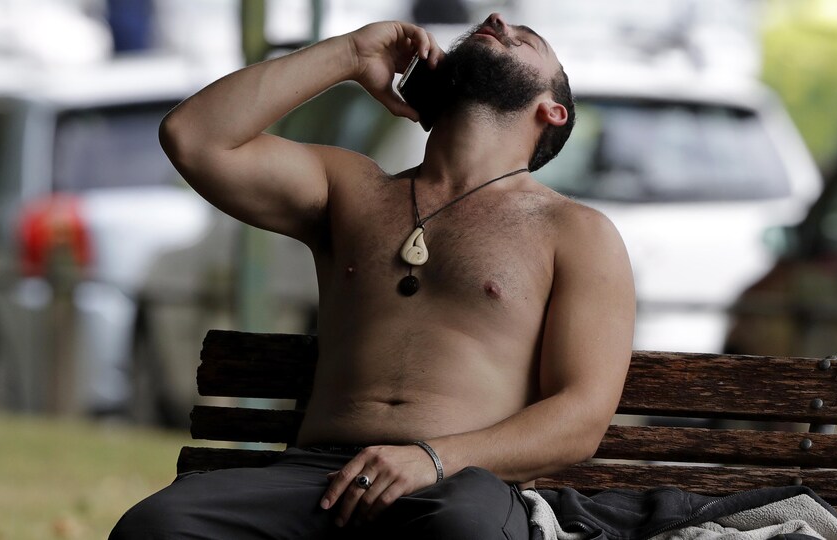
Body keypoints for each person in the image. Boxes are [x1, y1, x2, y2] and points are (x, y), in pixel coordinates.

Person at [111, 12, 635, 539]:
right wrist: (349, 56)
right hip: (318, 478)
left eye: (527, 40)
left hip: (461, 482)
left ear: (553, 111)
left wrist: (432, 459)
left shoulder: (575, 231)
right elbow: (193, 136)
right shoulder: (350, 188)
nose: (497, 18)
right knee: (156, 526)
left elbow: (581, 417)